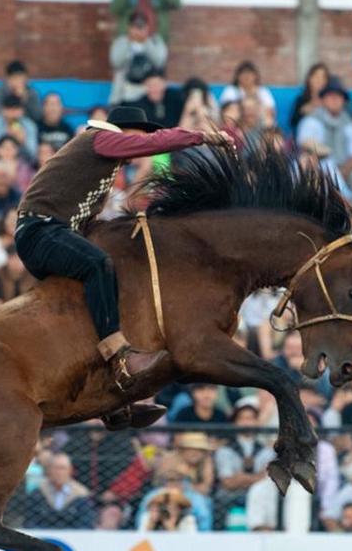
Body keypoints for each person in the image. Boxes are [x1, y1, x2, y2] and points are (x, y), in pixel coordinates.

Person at [15, 105, 225, 412]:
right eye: (140, 136)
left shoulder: (99, 161)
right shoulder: (101, 138)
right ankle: (119, 353)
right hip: (41, 232)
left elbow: (89, 221)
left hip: (48, 232)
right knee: (99, 264)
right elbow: (151, 144)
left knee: (103, 290)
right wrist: (203, 137)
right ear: (126, 131)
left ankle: (110, 400)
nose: (141, 144)